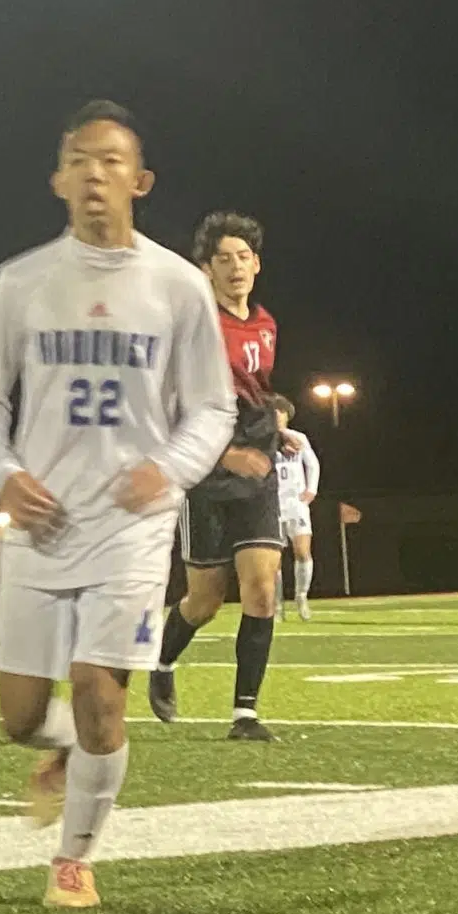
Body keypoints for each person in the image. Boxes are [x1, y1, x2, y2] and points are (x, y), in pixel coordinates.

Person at [0, 100, 235, 910]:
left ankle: (73, 860)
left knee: (98, 692)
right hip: (43, 525)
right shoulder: (22, 280)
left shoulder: (179, 287)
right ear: (57, 179)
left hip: (131, 528)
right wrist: (4, 472)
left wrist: (172, 470)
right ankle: (69, 755)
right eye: (80, 159)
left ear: (139, 181)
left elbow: (212, 407)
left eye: (111, 161)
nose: (94, 173)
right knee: (17, 717)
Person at [146, 212, 284, 739]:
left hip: (258, 469)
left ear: (257, 265)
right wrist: (224, 454)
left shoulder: (266, 324)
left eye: (243, 257)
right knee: (204, 598)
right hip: (208, 473)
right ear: (205, 270)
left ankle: (244, 715)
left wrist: (274, 429)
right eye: (223, 259)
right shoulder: (193, 328)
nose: (235, 267)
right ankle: (162, 663)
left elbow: (255, 391)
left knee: (262, 588)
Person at [270, 393, 321, 621]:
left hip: (295, 504)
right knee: (273, 559)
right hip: (271, 505)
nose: (275, 416)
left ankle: (301, 597)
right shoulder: (263, 439)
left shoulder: (298, 437)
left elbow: (312, 464)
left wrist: (311, 489)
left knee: (302, 552)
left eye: (278, 412)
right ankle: (277, 605)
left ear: (286, 415)